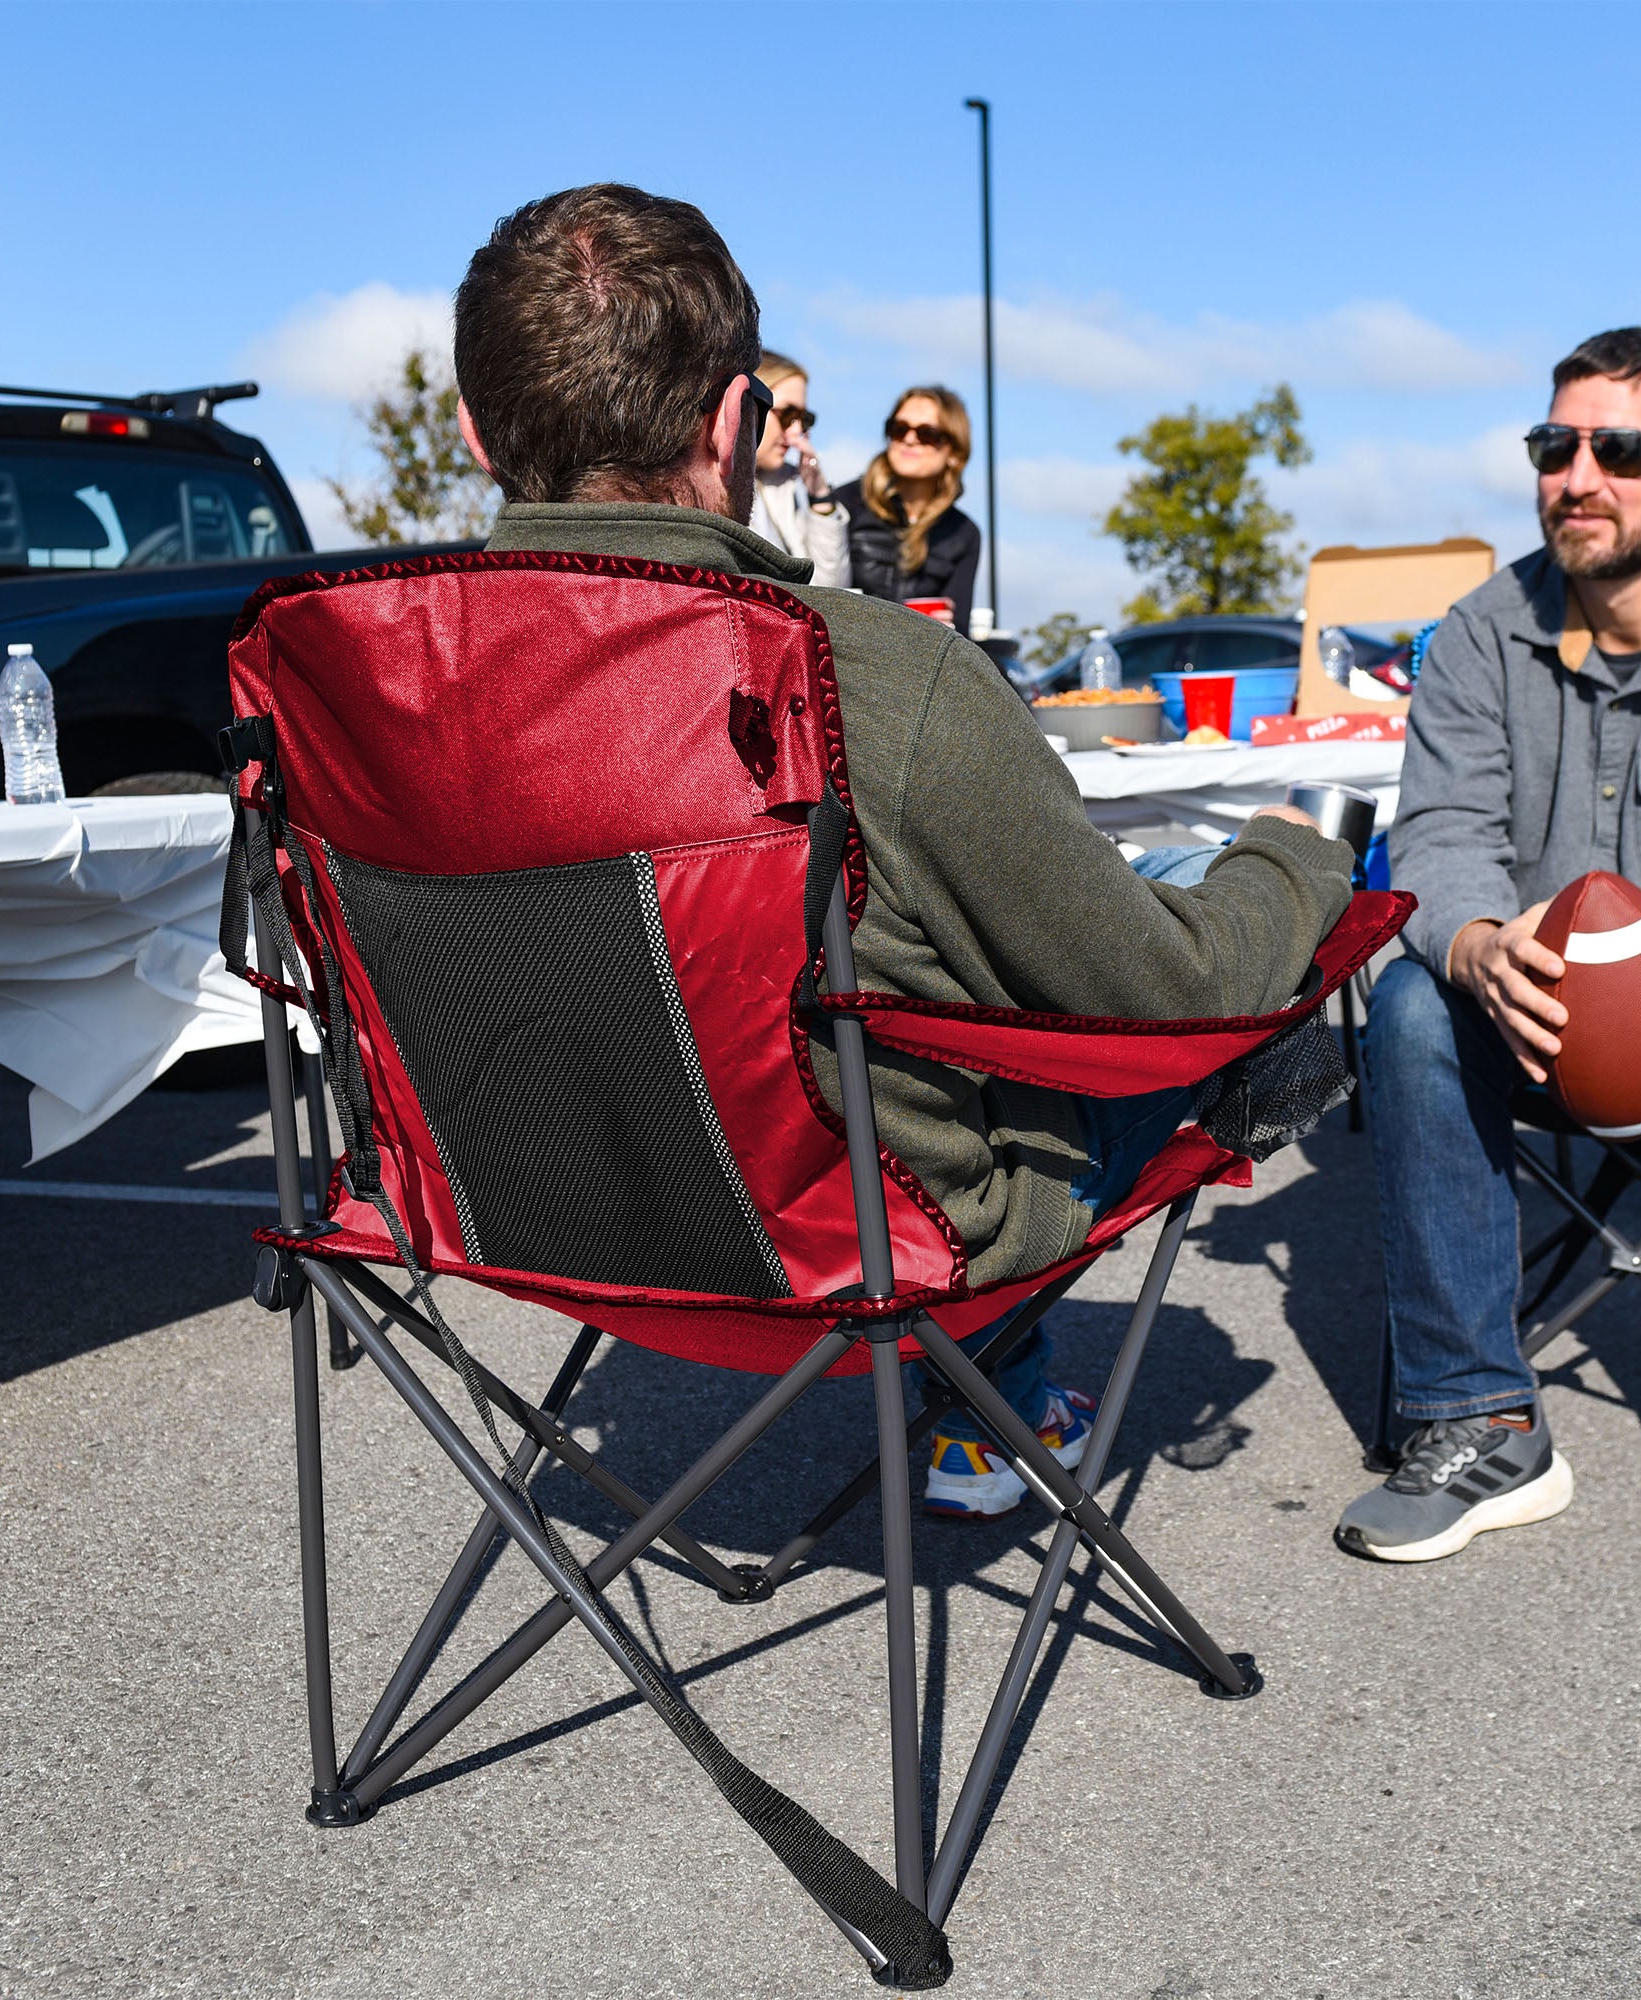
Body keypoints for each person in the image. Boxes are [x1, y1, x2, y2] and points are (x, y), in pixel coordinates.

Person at [451, 184, 1354, 1517]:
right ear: (732, 423)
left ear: (475, 432)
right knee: (1217, 950)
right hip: (853, 1245)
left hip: (519, 1214)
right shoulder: (867, 675)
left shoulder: (379, 690)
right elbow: (1163, 994)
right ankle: (992, 1397)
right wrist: (1295, 864)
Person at [1339, 327, 1641, 1581]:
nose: (1577, 476)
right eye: (1554, 446)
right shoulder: (1479, 631)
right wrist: (1479, 940)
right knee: (1407, 1000)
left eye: (1617, 448)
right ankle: (1476, 1419)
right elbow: (1435, 834)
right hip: (1531, 1021)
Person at [834, 386, 981, 633]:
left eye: (927, 434)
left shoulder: (964, 533)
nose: (909, 439)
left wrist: (946, 626)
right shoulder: (845, 503)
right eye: (899, 429)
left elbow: (961, 631)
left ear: (954, 453)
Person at [748, 350, 850, 586]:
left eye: (803, 419)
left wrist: (820, 497)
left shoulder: (788, 485)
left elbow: (832, 592)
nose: (796, 433)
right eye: (787, 415)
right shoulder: (709, 482)